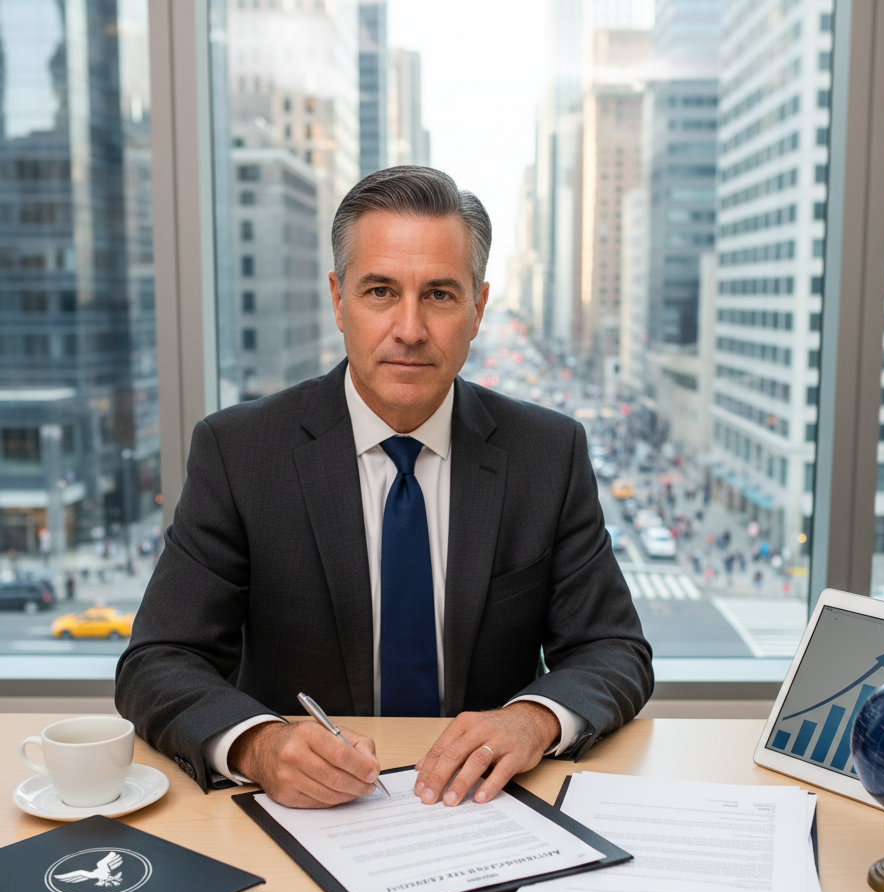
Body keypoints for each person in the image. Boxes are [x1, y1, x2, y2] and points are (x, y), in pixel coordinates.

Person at [115, 166, 652, 811]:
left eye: (440, 295)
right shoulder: (240, 452)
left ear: (478, 309)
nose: (409, 329)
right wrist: (257, 744)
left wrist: (531, 720)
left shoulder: (547, 452)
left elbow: (613, 648)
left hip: (487, 810)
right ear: (339, 301)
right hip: (307, 815)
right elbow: (159, 658)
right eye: (379, 292)